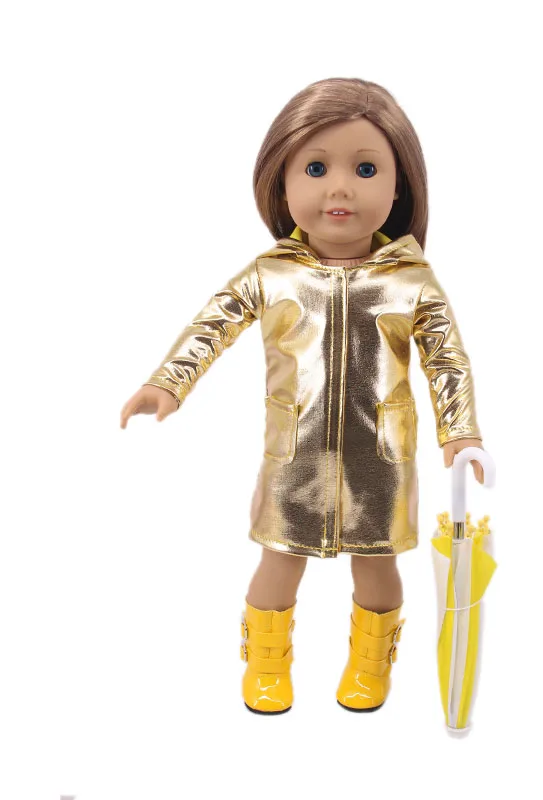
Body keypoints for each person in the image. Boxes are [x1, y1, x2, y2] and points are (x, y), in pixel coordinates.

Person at [120, 78, 485, 715]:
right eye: (316, 169)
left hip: (380, 458)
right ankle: (266, 663)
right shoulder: (272, 273)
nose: (339, 188)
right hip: (295, 453)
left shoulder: (412, 281)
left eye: (365, 169)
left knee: (377, 566)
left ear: (399, 186)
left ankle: (370, 665)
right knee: (279, 561)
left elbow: (446, 359)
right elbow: (213, 324)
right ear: (281, 182)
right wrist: (168, 382)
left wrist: (460, 431)